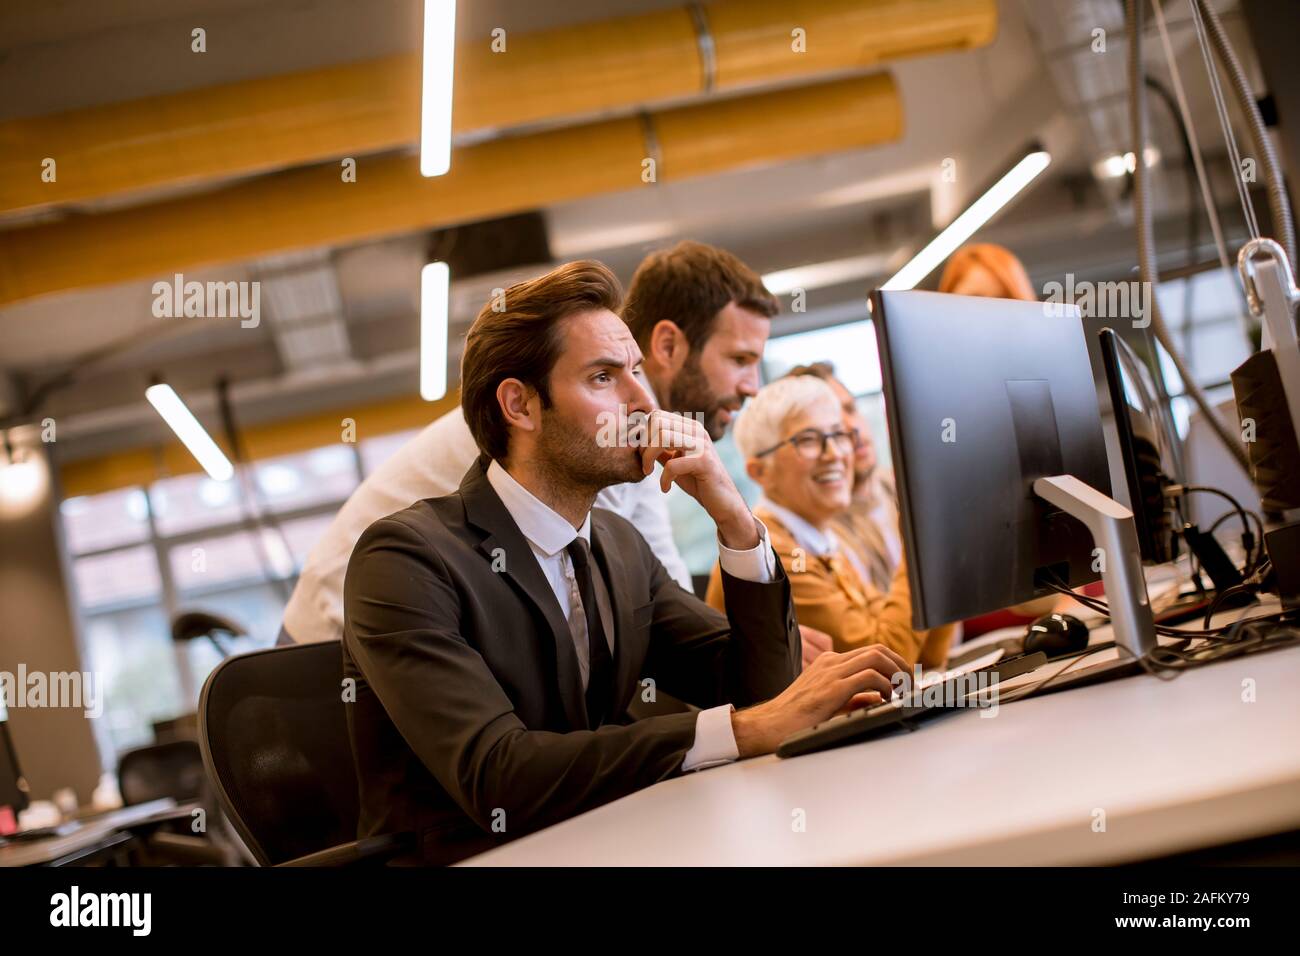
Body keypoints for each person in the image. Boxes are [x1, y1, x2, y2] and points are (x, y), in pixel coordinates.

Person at [341, 261, 906, 863]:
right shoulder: (405, 559)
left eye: (637, 371)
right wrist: (740, 730)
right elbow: (498, 775)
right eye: (605, 377)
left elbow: (756, 688)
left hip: (608, 842)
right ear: (520, 406)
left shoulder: (615, 542)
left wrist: (737, 524)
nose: (643, 399)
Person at [279, 240, 831, 657]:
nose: (754, 384)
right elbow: (634, 637)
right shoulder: (577, 440)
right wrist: (738, 669)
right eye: (739, 359)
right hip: (338, 636)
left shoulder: (624, 442)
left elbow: (659, 589)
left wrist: (739, 648)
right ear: (668, 343)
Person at [705, 375, 954, 670]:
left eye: (838, 435)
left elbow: (928, 656)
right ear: (759, 472)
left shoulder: (818, 540)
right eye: (808, 440)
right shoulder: (775, 556)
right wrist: (919, 549)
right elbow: (888, 663)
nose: (835, 454)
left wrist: (935, 551)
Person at [785, 361, 899, 593]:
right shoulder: (809, 538)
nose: (851, 427)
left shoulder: (904, 490)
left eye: (850, 409)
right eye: (831, 423)